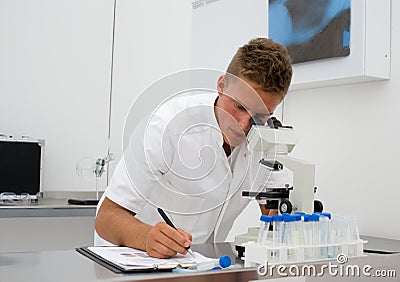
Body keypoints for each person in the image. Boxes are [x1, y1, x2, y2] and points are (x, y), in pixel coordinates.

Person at [95, 38, 293, 258]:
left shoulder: (265, 139)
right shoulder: (166, 126)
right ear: (221, 86)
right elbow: (106, 217)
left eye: (260, 116)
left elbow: (274, 210)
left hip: (201, 264)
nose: (244, 125)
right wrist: (147, 237)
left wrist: (287, 219)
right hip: (135, 260)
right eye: (239, 107)